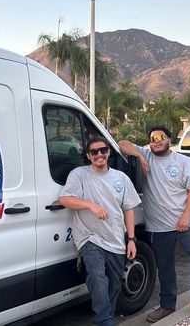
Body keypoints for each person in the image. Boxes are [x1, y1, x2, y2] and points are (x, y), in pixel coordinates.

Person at [118, 126, 190, 323]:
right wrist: (140, 157)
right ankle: (167, 305)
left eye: (160, 137)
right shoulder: (146, 155)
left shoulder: (183, 162)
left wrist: (185, 216)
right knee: (164, 266)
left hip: (187, 222)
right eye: (152, 138)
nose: (156, 141)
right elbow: (121, 144)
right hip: (159, 226)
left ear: (169, 139)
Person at [60, 136, 141, 326]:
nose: (99, 155)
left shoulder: (121, 178)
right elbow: (65, 199)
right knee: (97, 277)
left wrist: (131, 239)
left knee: (113, 286)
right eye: (94, 152)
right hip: (90, 238)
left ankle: (105, 318)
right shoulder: (79, 174)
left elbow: (129, 210)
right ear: (88, 156)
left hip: (115, 240)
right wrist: (90, 205)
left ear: (109, 152)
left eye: (103, 150)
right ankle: (105, 321)